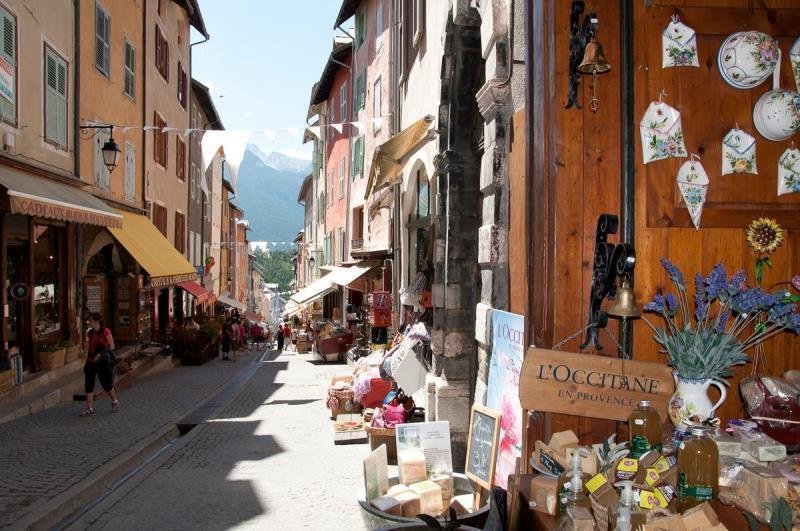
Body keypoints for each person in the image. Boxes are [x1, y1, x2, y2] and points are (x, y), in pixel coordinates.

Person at [81, 313, 119, 416]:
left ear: (96, 322)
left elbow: (112, 346)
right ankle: (89, 409)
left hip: (103, 362)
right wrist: (85, 348)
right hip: (91, 361)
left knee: (106, 384)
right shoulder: (90, 332)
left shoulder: (105, 331)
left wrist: (101, 353)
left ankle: (115, 401)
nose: (89, 322)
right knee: (88, 384)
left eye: (91, 321)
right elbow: (87, 347)